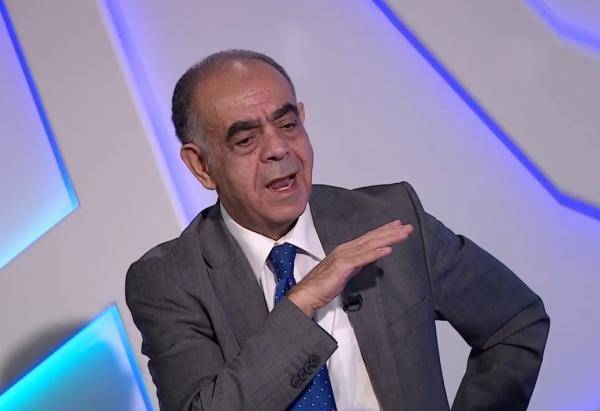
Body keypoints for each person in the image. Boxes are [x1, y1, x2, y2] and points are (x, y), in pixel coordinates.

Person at [126, 49, 550, 411]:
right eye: (246, 141)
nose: (279, 148)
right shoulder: (170, 280)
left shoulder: (390, 219)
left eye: (288, 124)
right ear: (201, 165)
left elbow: (514, 321)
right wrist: (303, 301)